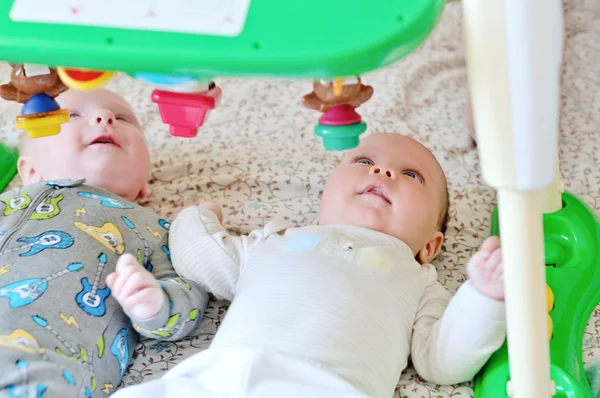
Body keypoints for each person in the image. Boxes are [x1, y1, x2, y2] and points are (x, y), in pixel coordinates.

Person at [113, 133, 507, 398]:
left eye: (411, 175)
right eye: (364, 159)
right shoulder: (275, 240)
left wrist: (485, 298)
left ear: (430, 245)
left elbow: (440, 359)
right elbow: (202, 258)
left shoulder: (418, 280)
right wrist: (199, 217)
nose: (382, 172)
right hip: (218, 379)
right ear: (321, 208)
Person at [0, 88, 208, 398]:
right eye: (71, 115)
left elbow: (191, 295)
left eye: (124, 118)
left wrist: (155, 305)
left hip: (43, 368)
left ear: (142, 186)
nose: (105, 118)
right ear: (32, 172)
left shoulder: (156, 229)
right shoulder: (11, 201)